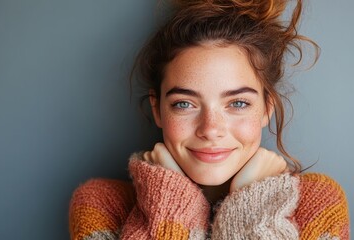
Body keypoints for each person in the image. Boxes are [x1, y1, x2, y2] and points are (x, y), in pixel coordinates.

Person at [69, 0, 350, 239]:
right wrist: (168, 200)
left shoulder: (317, 203)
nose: (211, 129)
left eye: (238, 103)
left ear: (266, 109)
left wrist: (252, 207)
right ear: (158, 109)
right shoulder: (101, 204)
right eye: (184, 104)